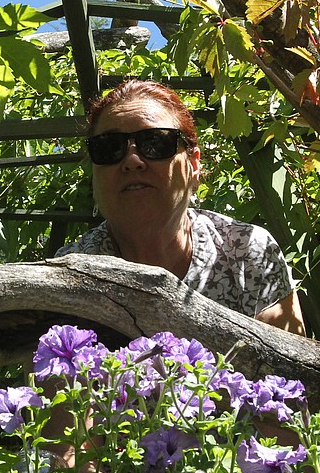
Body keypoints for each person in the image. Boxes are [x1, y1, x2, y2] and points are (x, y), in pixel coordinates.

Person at [57, 79, 305, 335]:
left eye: (155, 142)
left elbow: (290, 372)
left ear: (194, 165)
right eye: (109, 147)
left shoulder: (247, 253)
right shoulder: (68, 273)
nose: (132, 161)